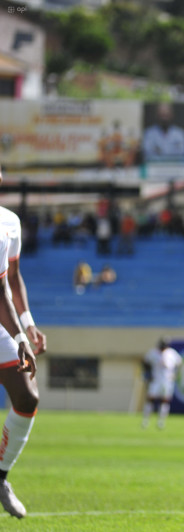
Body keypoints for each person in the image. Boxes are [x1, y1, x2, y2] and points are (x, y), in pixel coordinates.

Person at [0, 165, 45, 519]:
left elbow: (10, 280)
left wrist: (26, 328)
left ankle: (0, 478)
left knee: (27, 396)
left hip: (2, 320)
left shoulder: (8, 222)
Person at [141, 338, 183, 430]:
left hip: (167, 381)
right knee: (150, 399)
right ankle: (145, 421)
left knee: (165, 401)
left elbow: (179, 363)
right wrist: (147, 374)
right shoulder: (153, 352)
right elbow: (145, 362)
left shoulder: (171, 353)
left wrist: (176, 375)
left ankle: (161, 422)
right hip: (155, 380)